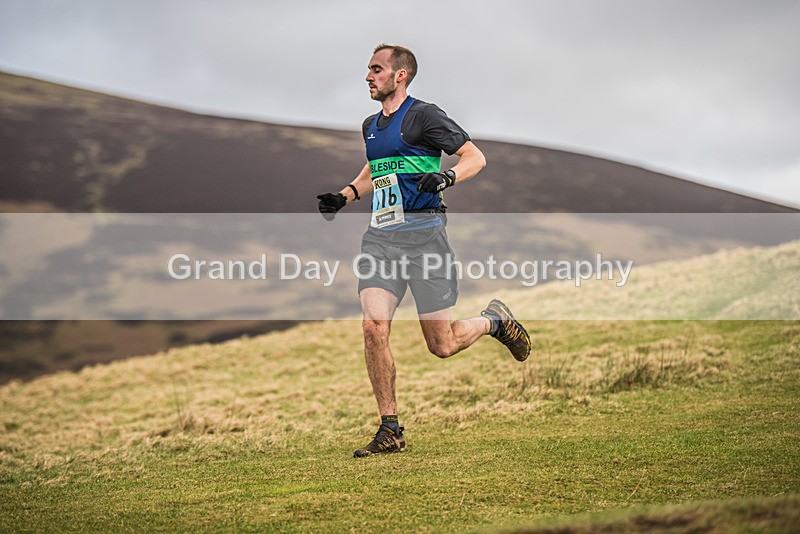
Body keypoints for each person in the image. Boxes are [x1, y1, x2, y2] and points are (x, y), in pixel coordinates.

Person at [317, 44, 531, 458]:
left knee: (442, 344)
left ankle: (493, 321)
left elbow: (475, 157)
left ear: (401, 75)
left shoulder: (424, 116)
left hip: (425, 237)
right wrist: (345, 196)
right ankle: (390, 429)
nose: (368, 76)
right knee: (372, 328)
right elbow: (376, 167)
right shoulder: (370, 126)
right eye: (368, 69)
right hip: (380, 239)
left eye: (376, 69)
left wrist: (447, 177)